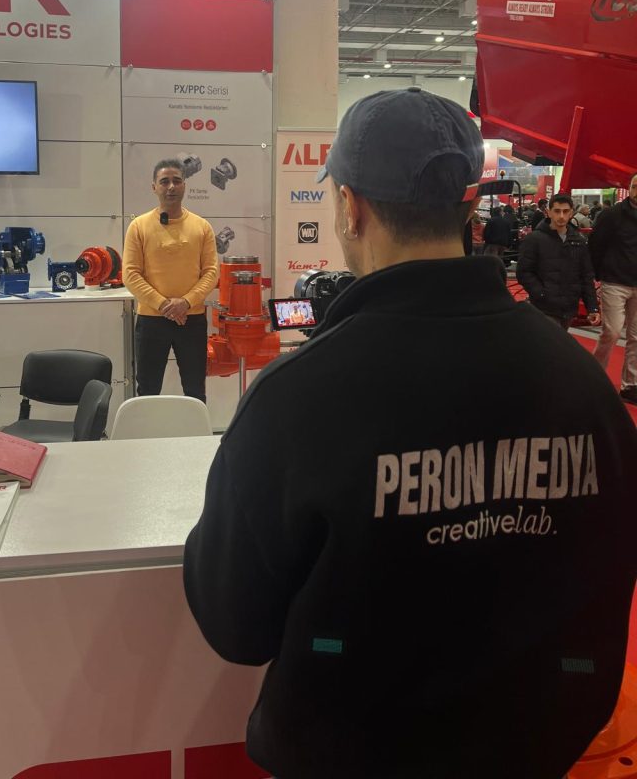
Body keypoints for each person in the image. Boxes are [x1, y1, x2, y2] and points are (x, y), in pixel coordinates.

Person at [184, 88, 637, 779]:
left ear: (351, 207)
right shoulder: (582, 384)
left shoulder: (298, 396)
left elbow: (236, 626)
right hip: (536, 753)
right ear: (468, 207)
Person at [123, 158, 218, 402]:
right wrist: (165, 305)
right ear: (154, 187)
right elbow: (130, 274)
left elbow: (211, 273)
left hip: (191, 319)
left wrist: (185, 303)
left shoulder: (202, 227)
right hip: (151, 320)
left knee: (195, 391)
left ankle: (195, 430)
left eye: (177, 181)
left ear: (185, 185)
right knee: (147, 391)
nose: (171, 187)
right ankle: (147, 429)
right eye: (164, 181)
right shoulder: (138, 226)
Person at [516, 192, 600, 330]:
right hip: (544, 308)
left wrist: (592, 307)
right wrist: (541, 293)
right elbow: (524, 272)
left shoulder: (578, 241)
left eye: (565, 211)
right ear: (549, 212)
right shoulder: (534, 239)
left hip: (568, 307)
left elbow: (586, 275)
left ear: (571, 213)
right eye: (557, 211)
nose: (561, 216)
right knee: (549, 342)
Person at [590, 173, 637, 405]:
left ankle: (630, 385)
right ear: (629, 187)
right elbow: (595, 245)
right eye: (635, 186)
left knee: (636, 337)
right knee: (612, 332)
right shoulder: (611, 215)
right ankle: (595, 379)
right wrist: (598, 276)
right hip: (614, 282)